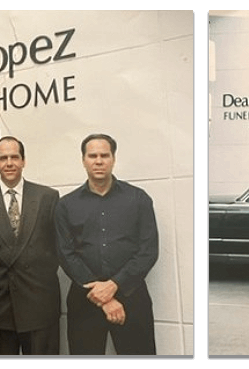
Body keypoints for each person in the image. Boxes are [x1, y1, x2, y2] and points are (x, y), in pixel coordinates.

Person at [57, 133, 158, 355]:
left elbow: (148, 251)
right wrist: (103, 297)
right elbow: (65, 254)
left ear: (113, 158)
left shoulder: (138, 199)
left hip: (132, 296)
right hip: (85, 300)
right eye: (92, 155)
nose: (99, 161)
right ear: (83, 160)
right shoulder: (66, 205)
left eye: (105, 155)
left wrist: (114, 285)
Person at [0, 137, 62, 355]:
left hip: (39, 303)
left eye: (14, 157)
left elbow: (55, 247)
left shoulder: (47, 197)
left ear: (23, 161)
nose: (9, 163)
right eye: (3, 158)